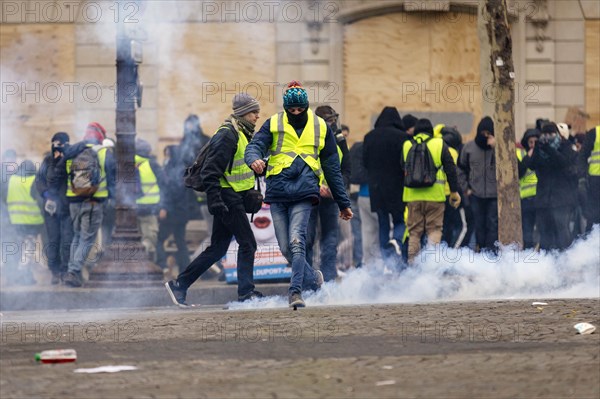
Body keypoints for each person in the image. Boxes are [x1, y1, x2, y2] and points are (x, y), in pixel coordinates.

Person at [245, 81, 352, 308]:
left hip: (305, 192)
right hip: (278, 192)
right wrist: (253, 158)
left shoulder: (321, 126)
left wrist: (343, 202)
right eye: (291, 110)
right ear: (285, 108)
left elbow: (333, 167)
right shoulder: (273, 123)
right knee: (285, 247)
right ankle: (313, 277)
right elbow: (256, 145)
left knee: (297, 241)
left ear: (306, 106)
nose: (295, 113)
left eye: (299, 109)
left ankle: (295, 292)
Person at [165, 93, 264, 307]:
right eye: (254, 112)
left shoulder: (242, 133)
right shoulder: (228, 134)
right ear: (243, 113)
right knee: (247, 244)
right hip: (227, 199)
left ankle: (180, 285)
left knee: (218, 249)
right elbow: (210, 171)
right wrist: (215, 200)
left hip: (233, 196)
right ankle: (246, 294)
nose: (258, 116)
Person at [55, 122, 116, 287]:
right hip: (93, 201)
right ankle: (73, 271)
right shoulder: (104, 152)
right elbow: (112, 179)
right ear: (101, 135)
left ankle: (71, 271)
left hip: (73, 201)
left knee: (77, 236)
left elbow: (60, 174)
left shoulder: (73, 151)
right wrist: (113, 198)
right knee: (87, 238)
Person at [401, 119, 461, 263]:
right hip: (435, 197)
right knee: (434, 230)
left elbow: (402, 168)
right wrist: (454, 191)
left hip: (412, 197)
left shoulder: (407, 145)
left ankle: (412, 265)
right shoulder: (439, 144)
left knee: (414, 233)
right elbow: (451, 169)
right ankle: (431, 265)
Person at [305, 105, 351, 281]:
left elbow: (347, 169)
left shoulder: (339, 140)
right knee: (307, 239)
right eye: (329, 120)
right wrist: (316, 187)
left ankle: (329, 279)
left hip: (330, 197)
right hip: (310, 195)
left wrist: (336, 188)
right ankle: (307, 280)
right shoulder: (309, 137)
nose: (333, 124)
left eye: (333, 120)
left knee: (330, 240)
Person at [363, 106, 408, 267]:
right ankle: (396, 241)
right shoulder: (403, 138)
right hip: (397, 187)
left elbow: (365, 162)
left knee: (382, 222)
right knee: (399, 220)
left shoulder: (369, 137)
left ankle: (387, 259)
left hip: (376, 187)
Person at [527, 122, 578, 250]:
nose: (548, 137)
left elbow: (563, 162)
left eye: (551, 134)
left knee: (562, 231)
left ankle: (565, 259)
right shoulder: (540, 147)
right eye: (545, 134)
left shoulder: (566, 146)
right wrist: (538, 148)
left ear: (557, 135)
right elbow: (531, 164)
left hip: (561, 199)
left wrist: (548, 149)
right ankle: (546, 261)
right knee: (544, 233)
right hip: (543, 199)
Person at [35, 132, 74, 284]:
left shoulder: (71, 159)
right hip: (51, 210)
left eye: (60, 143)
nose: (57, 146)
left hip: (67, 208)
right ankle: (55, 271)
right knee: (53, 240)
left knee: (67, 240)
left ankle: (65, 271)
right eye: (54, 143)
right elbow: (39, 181)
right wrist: (46, 195)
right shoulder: (47, 161)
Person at [458, 116, 498, 252]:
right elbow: (461, 169)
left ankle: (491, 252)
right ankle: (481, 249)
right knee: (478, 224)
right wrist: (466, 189)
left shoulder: (497, 148)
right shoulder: (469, 148)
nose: (486, 136)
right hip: (475, 194)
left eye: (489, 133)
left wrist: (496, 148)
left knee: (492, 225)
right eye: (483, 133)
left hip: (494, 195)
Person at [4, 160, 44, 285]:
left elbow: (5, 199)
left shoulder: (11, 180)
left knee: (15, 248)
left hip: (14, 220)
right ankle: (26, 276)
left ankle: (12, 275)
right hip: (33, 221)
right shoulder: (35, 180)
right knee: (29, 250)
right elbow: (41, 200)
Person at [156, 145, 190, 278]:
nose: (166, 158)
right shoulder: (181, 168)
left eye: (168, 155)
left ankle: (162, 265)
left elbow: (171, 191)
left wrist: (164, 207)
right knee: (180, 241)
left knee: (160, 239)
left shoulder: (175, 170)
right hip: (181, 213)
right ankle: (185, 269)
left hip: (173, 213)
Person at [135, 139, 167, 261]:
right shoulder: (152, 164)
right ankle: (148, 266)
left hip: (132, 209)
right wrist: (163, 206)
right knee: (150, 239)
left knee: (136, 239)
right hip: (150, 208)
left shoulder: (128, 163)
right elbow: (164, 184)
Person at [516, 128, 540, 249]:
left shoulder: (542, 154)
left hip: (540, 197)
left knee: (541, 230)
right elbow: (519, 172)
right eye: (531, 142)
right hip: (525, 199)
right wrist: (528, 157)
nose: (533, 145)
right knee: (527, 231)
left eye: (536, 142)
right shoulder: (520, 154)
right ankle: (528, 256)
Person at [578, 125, 600, 232]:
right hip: (595, 182)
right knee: (594, 217)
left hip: (595, 180)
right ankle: (591, 243)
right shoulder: (595, 133)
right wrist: (583, 176)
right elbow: (582, 156)